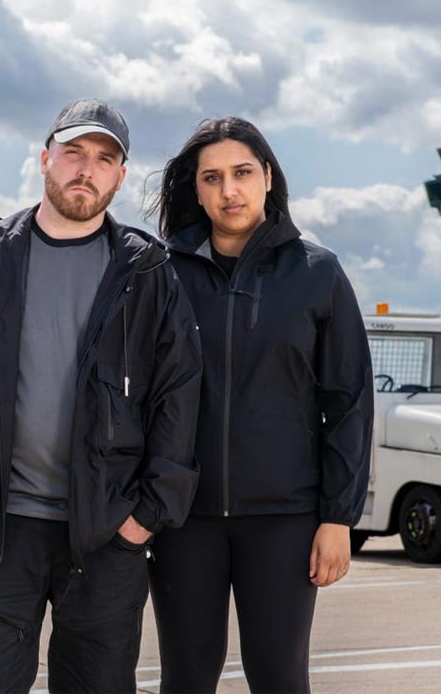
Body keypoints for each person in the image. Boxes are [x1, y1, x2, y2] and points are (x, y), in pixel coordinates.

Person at [0, 99, 202, 693]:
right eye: (74, 153)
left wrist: (145, 516)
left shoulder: (146, 271)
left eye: (104, 159)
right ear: (46, 159)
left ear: (120, 176)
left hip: (105, 534)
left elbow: (178, 395)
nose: (86, 170)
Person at [147, 117, 373, 693]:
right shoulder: (160, 275)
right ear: (194, 189)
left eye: (243, 173)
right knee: (187, 677)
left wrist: (337, 517)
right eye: (213, 177)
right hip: (182, 519)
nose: (230, 191)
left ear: (268, 177)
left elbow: (348, 403)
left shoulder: (317, 274)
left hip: (285, 519)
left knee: (278, 676)